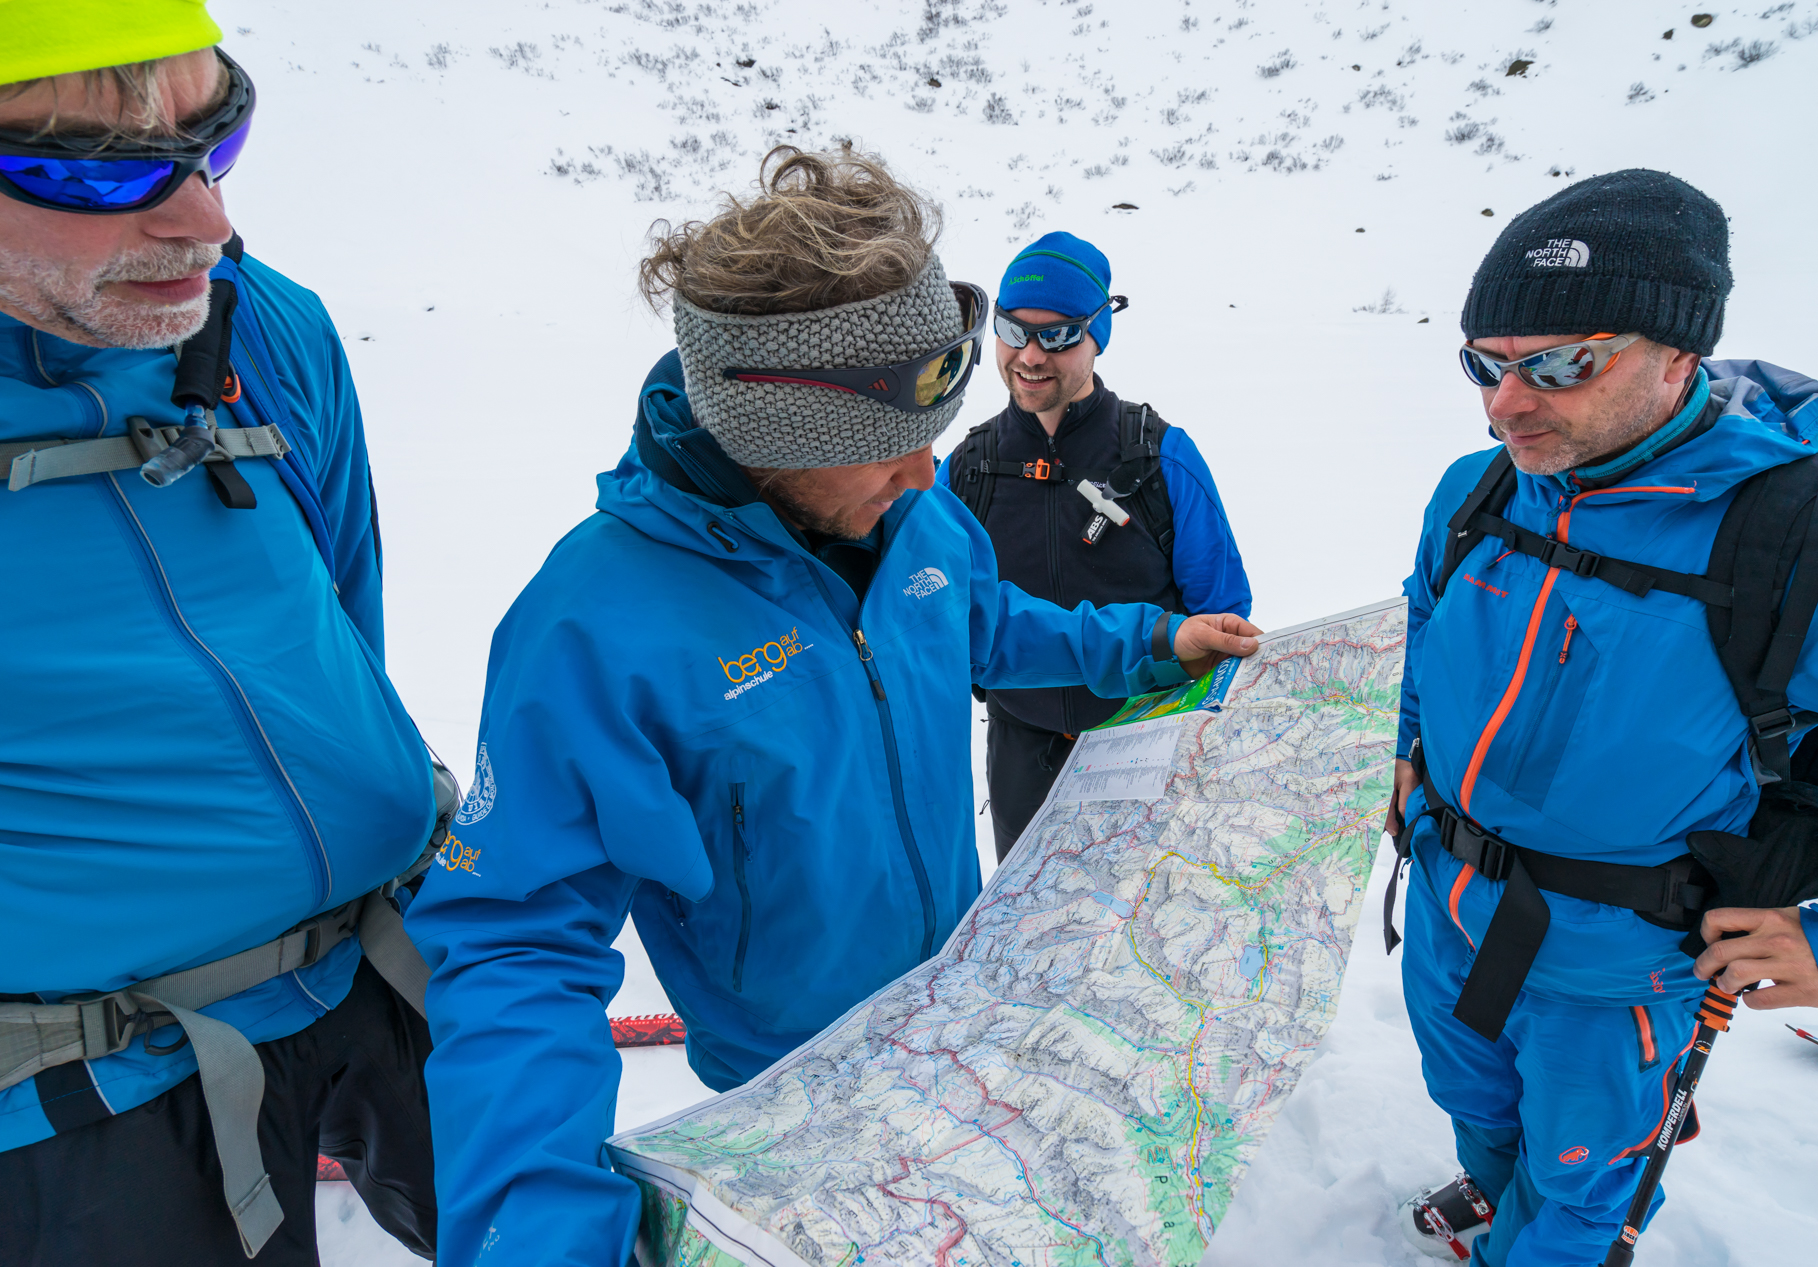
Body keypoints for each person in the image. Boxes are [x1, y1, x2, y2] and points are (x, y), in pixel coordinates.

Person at [404, 147, 1262, 1267]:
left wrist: (1147, 641)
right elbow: (518, 943)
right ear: (773, 438)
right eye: (887, 446)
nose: (927, 471)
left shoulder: (917, 520)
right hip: (787, 1099)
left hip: (954, 1029)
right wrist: (542, 1236)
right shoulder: (595, 627)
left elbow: (987, 622)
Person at [1385, 169, 1818, 1265]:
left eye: (1560, 364)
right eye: (1486, 362)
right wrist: (1406, 753)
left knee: (1583, 1185)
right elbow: (1426, 624)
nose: (1505, 404)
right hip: (1445, 906)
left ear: (1679, 354)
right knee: (1471, 1098)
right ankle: (1494, 1190)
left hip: (1618, 965)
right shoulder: (1477, 490)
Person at [0, 7, 446, 1264]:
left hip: (389, 971)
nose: (204, 219)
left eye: (214, 140)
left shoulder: (256, 325)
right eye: (99, 171)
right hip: (91, 1096)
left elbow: (344, 620)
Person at [943, 232, 1251, 860]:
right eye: (1012, 329)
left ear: (1097, 335)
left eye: (1058, 336)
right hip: (1021, 756)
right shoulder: (966, 470)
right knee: (1029, 919)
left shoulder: (1160, 456)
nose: (1030, 355)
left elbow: (1223, 619)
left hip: (1147, 747)